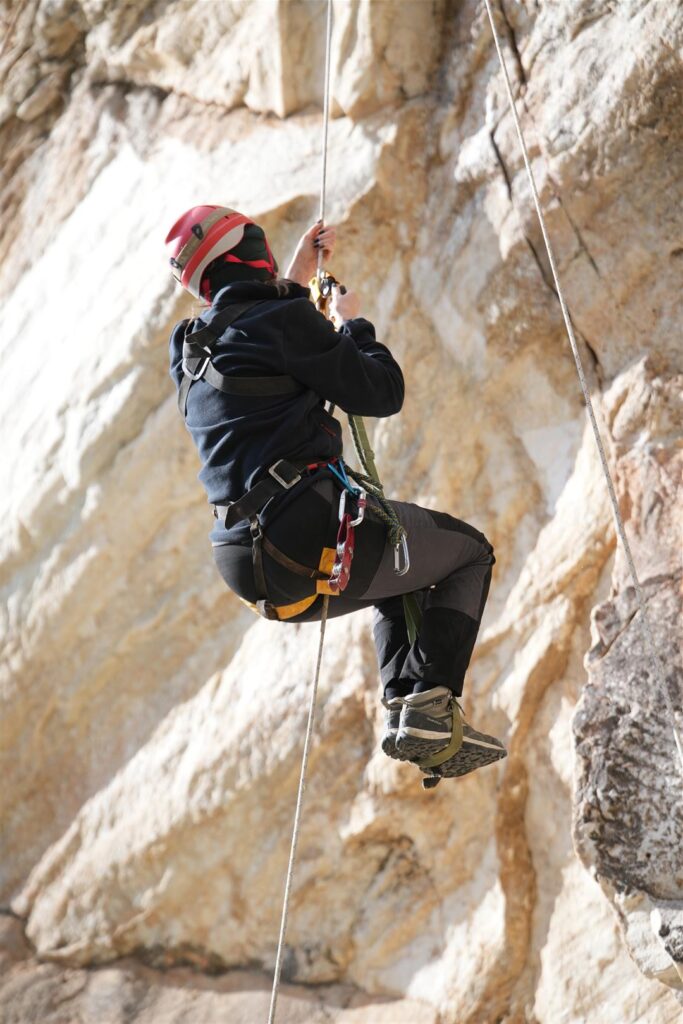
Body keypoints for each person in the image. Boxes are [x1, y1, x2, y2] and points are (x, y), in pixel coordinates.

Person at [165, 205, 506, 786]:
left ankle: (410, 712)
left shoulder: (188, 350)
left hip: (246, 565)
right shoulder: (284, 321)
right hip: (306, 531)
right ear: (249, 251)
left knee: (399, 578)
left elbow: (251, 335)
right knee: (470, 554)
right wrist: (353, 324)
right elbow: (382, 391)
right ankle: (429, 701)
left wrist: (298, 281)